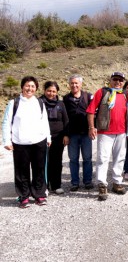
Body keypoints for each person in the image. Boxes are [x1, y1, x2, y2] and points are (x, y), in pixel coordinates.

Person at [2, 76, 51, 208]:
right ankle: (23, 196)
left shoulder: (40, 103)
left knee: (39, 169)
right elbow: (6, 123)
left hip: (39, 141)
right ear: (22, 87)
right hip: (20, 143)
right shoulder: (14, 103)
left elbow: (44, 121)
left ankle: (39, 195)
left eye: (33, 86)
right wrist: (6, 140)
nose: (30, 89)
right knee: (21, 171)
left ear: (36, 88)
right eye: (27, 86)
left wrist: (48, 137)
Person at [87, 71, 128, 200]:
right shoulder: (102, 92)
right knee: (103, 158)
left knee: (119, 158)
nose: (118, 82)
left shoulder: (125, 95)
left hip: (121, 132)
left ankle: (117, 182)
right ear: (110, 80)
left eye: (120, 80)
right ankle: (102, 184)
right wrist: (92, 127)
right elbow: (91, 110)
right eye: (115, 79)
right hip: (105, 131)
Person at [62, 74, 94, 191]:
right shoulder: (65, 99)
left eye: (76, 83)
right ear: (69, 84)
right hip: (72, 134)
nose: (74, 85)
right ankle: (74, 182)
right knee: (73, 159)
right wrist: (65, 134)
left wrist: (93, 128)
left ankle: (88, 181)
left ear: (81, 84)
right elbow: (64, 119)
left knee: (87, 158)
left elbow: (93, 114)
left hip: (86, 134)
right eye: (72, 83)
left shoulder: (88, 96)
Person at [40, 81, 69, 194]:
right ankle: (44, 186)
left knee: (57, 161)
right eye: (49, 91)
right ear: (44, 90)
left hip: (58, 137)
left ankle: (56, 185)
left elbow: (66, 120)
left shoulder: (61, 104)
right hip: (42, 137)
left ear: (57, 92)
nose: (51, 93)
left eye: (54, 91)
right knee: (44, 162)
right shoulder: (39, 102)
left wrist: (66, 135)